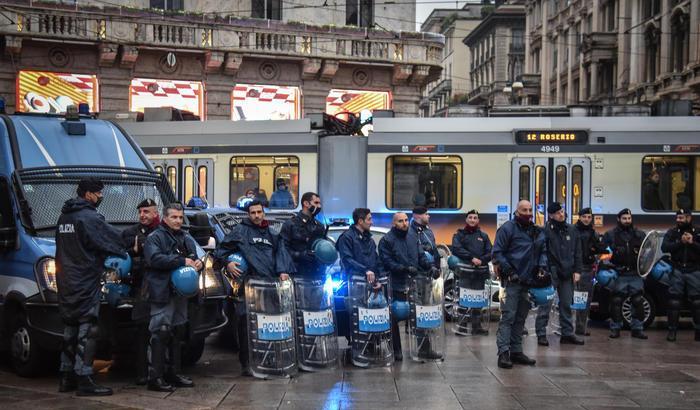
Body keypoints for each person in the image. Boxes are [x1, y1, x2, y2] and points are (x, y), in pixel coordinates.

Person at [56, 178, 125, 396]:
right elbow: (111, 240)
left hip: (67, 281)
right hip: (86, 281)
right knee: (89, 329)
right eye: (99, 193)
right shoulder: (90, 217)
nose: (101, 196)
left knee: (70, 328)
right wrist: (130, 244)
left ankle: (66, 377)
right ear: (88, 194)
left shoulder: (64, 216)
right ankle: (84, 378)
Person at [214, 200, 296, 376]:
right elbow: (220, 251)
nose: (256, 216)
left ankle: (270, 358)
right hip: (249, 286)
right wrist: (227, 263)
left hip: (270, 286)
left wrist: (283, 271)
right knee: (246, 326)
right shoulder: (240, 231)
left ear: (263, 213)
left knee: (270, 324)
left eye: (259, 212)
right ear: (248, 214)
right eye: (253, 213)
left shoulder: (272, 234)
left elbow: (282, 253)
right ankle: (247, 363)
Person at [143, 203, 199, 392]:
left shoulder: (185, 237)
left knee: (177, 332)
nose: (178, 221)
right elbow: (154, 259)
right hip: (162, 291)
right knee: (160, 332)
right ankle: (155, 377)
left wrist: (197, 262)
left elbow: (194, 255)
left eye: (180, 217)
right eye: (174, 217)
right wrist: (182, 261)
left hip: (180, 292)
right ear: (165, 218)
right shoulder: (155, 237)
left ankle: (173, 373)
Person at [492, 200, 547, 369]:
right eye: (524, 210)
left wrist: (542, 266)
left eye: (530, 210)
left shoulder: (536, 231)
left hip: (529, 280)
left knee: (521, 317)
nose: (528, 213)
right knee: (508, 317)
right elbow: (497, 253)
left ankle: (516, 351)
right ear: (517, 212)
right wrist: (510, 272)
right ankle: (503, 352)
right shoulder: (507, 229)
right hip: (512, 280)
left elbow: (543, 249)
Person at [379, 212, 436, 361]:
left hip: (414, 283)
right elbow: (387, 262)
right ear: (393, 223)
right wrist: (404, 268)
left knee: (419, 316)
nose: (404, 223)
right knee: (395, 318)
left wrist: (430, 267)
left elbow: (421, 256)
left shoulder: (413, 236)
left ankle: (425, 348)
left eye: (405, 220)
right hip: (396, 285)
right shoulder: (386, 240)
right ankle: (396, 350)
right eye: (400, 221)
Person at [121, 198, 160, 385]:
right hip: (140, 288)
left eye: (146, 212)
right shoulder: (130, 233)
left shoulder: (163, 232)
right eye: (141, 212)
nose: (142, 215)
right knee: (142, 331)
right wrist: (133, 251)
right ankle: (142, 372)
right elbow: (120, 253)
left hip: (161, 287)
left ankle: (161, 371)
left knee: (163, 331)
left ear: (155, 213)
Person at [535, 203, 584, 346]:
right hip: (551, 272)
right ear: (550, 215)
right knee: (545, 304)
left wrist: (577, 271)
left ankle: (567, 333)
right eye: (557, 213)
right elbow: (540, 251)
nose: (561, 214)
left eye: (562, 211)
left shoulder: (572, 230)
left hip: (568, 272)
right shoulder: (545, 231)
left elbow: (578, 252)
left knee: (566, 304)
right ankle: (541, 334)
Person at [602, 208, 648, 340]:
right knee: (616, 301)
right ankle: (615, 328)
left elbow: (647, 254)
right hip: (618, 273)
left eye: (629, 218)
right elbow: (602, 252)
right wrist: (607, 264)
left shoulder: (640, 235)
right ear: (618, 219)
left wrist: (645, 270)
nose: (627, 221)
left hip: (635, 274)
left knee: (638, 301)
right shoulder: (610, 235)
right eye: (624, 219)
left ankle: (637, 329)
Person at [451, 209, 492, 335]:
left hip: (480, 274)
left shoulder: (483, 236)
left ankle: (476, 327)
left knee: (477, 301)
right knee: (463, 301)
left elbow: (490, 252)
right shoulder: (459, 234)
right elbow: (456, 249)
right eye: (470, 217)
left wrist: (481, 260)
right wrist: (471, 258)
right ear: (466, 219)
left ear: (478, 220)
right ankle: (462, 327)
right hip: (464, 274)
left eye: (475, 218)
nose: (472, 220)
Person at [661, 208, 700, 342]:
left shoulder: (697, 232)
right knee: (674, 302)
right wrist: (680, 242)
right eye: (677, 218)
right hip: (677, 269)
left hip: (694, 269)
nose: (678, 220)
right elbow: (664, 247)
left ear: (689, 218)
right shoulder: (672, 233)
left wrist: (692, 243)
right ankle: (672, 331)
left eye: (681, 218)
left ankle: (698, 331)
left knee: (697, 302)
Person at [574, 207, 608, 336]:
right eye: (584, 217)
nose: (587, 219)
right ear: (580, 217)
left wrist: (601, 250)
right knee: (580, 299)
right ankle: (578, 328)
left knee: (586, 299)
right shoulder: (574, 231)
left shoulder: (593, 233)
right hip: (578, 268)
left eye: (589, 217)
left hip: (589, 268)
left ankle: (581, 327)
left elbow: (597, 248)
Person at [280, 192, 326, 280]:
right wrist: (299, 255)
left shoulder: (319, 226)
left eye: (319, 203)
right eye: (316, 203)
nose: (319, 206)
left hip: (316, 272)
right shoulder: (291, 224)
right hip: (297, 272)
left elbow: (322, 247)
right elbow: (283, 250)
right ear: (306, 204)